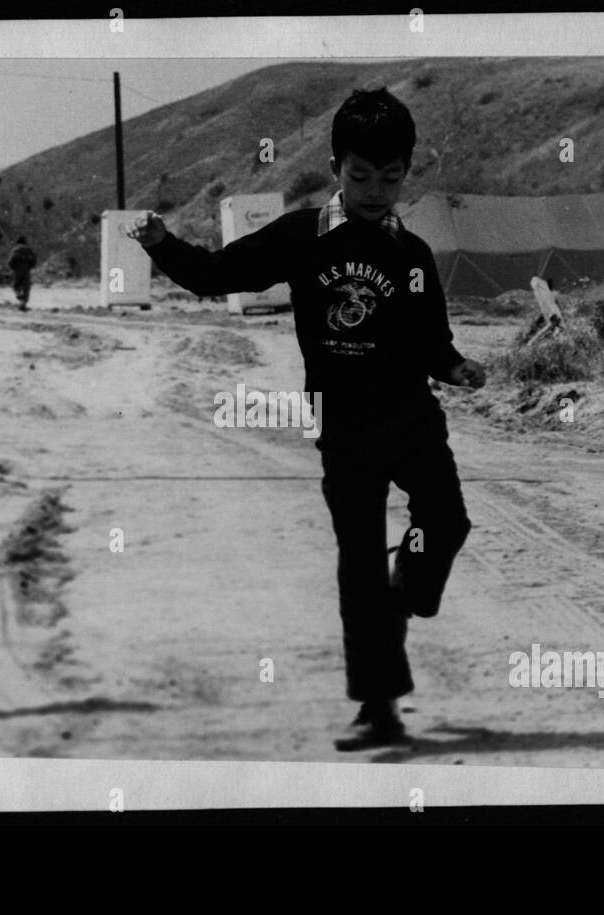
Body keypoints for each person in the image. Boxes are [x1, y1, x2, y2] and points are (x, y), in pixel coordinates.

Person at [127, 87, 487, 751]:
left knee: (446, 520)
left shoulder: (412, 255)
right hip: (344, 426)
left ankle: (407, 576)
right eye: (360, 176)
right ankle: (378, 703)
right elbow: (215, 275)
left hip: (411, 414)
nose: (376, 190)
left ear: (408, 172)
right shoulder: (301, 237)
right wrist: (162, 243)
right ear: (334, 169)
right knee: (356, 563)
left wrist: (456, 366)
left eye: (390, 176)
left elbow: (430, 339)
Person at [7, 236, 37, 311]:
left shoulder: (16, 249)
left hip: (17, 270)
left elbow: (11, 261)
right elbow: (34, 261)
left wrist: (13, 268)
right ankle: (23, 303)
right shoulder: (29, 250)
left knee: (16, 286)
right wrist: (29, 267)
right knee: (26, 288)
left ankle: (19, 296)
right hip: (27, 270)